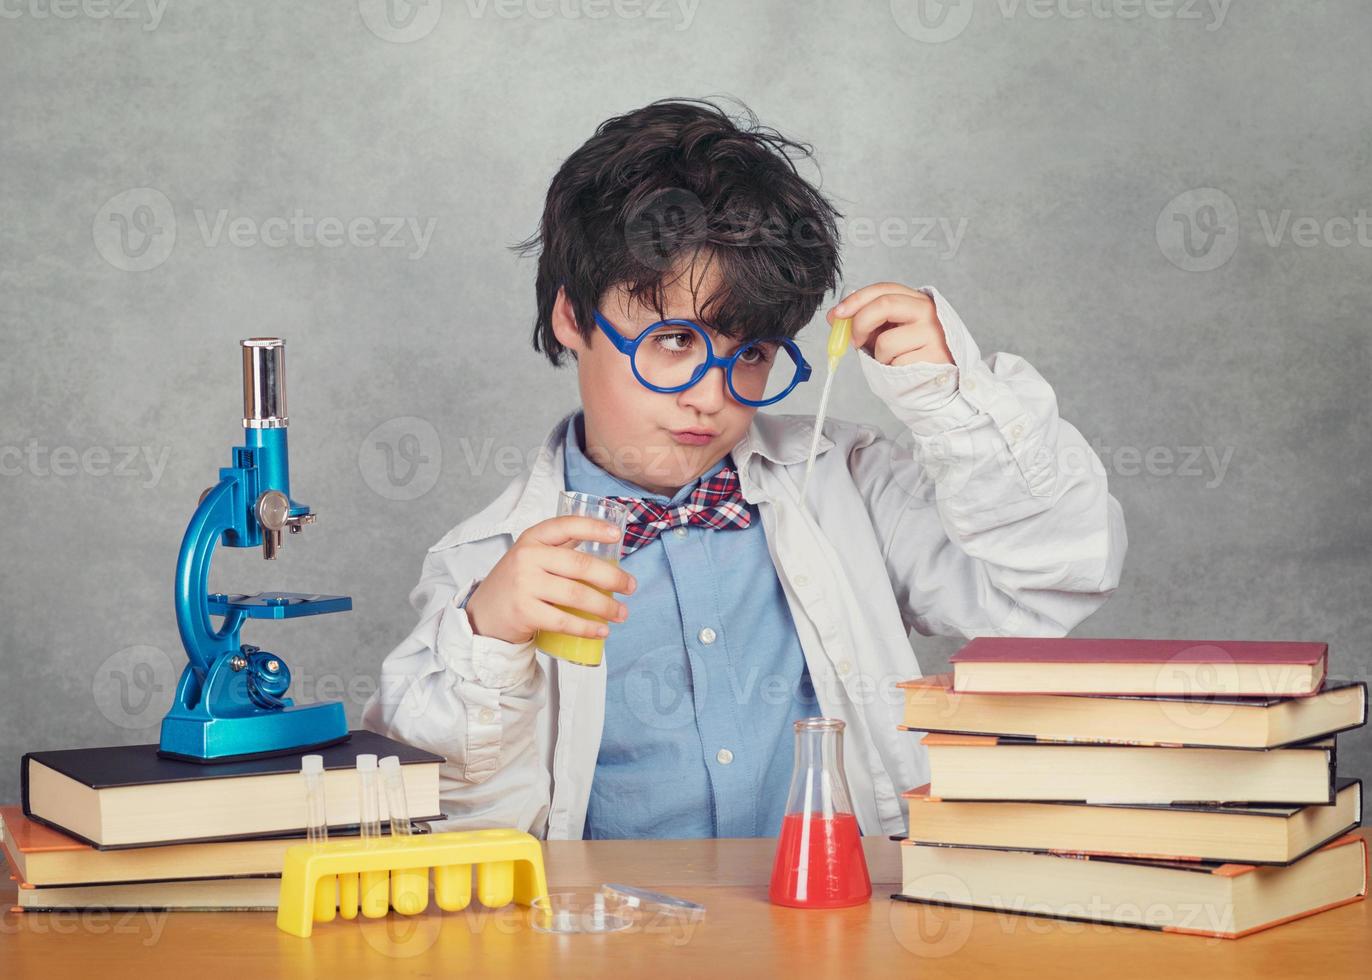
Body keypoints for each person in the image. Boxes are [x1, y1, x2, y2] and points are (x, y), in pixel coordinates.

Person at [361, 98, 1127, 840]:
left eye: (750, 354)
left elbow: (1044, 588)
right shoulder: (484, 563)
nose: (710, 397)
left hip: (838, 931)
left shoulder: (845, 479)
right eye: (673, 342)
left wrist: (954, 399)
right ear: (572, 316)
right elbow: (446, 819)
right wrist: (489, 639)